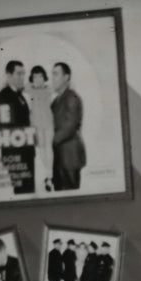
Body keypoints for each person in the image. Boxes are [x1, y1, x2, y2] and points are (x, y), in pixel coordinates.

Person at [0, 60, 35, 194]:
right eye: (19, 74)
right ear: (9, 75)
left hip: (26, 152)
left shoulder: (20, 96)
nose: (23, 77)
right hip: (16, 154)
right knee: (22, 192)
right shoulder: (4, 96)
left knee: (28, 191)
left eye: (23, 74)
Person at [50, 62, 86, 191]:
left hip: (70, 158)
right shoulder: (55, 101)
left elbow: (69, 127)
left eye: (56, 74)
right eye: (52, 74)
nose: (52, 78)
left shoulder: (72, 97)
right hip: (60, 158)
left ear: (66, 77)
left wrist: (50, 140)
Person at [26, 65, 55, 192]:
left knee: (49, 148)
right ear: (32, 78)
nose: (38, 79)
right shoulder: (29, 89)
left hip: (48, 123)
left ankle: (50, 176)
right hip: (36, 124)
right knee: (41, 149)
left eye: (40, 76)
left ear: (44, 77)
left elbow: (64, 85)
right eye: (35, 76)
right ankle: (48, 175)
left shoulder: (49, 89)